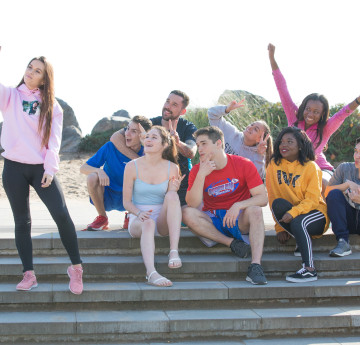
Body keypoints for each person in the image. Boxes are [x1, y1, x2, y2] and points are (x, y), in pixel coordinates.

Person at [0, 50, 83, 294]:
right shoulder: (10, 96)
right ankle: (29, 274)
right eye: (29, 67)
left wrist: (50, 168)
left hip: (40, 169)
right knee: (22, 221)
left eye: (37, 70)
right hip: (13, 167)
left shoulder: (52, 106)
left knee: (61, 214)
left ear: (45, 79)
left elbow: (54, 140)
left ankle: (76, 268)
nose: (31, 72)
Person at [268, 43, 360, 194]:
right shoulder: (294, 118)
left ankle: (322, 215)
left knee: (321, 181)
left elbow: (343, 113)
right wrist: (272, 59)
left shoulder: (326, 128)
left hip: (320, 169)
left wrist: (357, 100)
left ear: (322, 114)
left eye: (316, 112)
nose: (310, 114)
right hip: (294, 170)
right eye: (308, 109)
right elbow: (282, 89)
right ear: (303, 107)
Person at [182, 126, 268, 285]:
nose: (199, 149)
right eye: (198, 145)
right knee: (186, 213)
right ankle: (232, 243)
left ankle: (256, 266)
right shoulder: (196, 171)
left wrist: (238, 206)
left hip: (238, 219)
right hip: (213, 219)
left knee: (255, 210)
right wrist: (201, 174)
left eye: (204, 144)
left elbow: (263, 198)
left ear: (218, 143)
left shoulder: (243, 164)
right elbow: (192, 204)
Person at [111, 90, 197, 207]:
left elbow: (191, 152)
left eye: (174, 105)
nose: (167, 106)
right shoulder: (150, 124)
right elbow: (115, 137)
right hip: (151, 185)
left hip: (179, 184)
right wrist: (137, 159)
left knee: (185, 215)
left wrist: (177, 142)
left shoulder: (188, 127)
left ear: (183, 111)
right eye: (167, 101)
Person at [123, 125, 184, 287]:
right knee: (148, 222)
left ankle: (174, 251)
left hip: (162, 220)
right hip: (138, 218)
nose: (148, 139)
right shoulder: (131, 166)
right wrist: (139, 212)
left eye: (154, 137)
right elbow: (126, 202)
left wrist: (173, 189)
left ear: (165, 145)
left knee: (172, 195)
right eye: (147, 136)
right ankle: (151, 273)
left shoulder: (172, 167)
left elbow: (170, 199)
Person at [266, 127, 329, 283]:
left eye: (289, 141)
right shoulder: (274, 165)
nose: (283, 145)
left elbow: (313, 199)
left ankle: (309, 270)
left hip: (316, 215)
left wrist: (294, 212)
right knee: (278, 203)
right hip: (292, 215)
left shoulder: (311, 167)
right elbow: (274, 195)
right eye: (281, 141)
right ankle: (301, 239)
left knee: (299, 221)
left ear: (300, 145)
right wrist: (279, 227)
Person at [80, 116, 152, 230]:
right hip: (108, 195)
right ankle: (102, 218)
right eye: (127, 129)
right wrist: (99, 171)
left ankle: (131, 215)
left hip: (132, 198)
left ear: (143, 135)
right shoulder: (110, 147)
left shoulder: (147, 152)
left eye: (134, 131)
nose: (127, 134)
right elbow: (83, 168)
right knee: (92, 177)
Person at [208, 100, 273, 179]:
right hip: (213, 178)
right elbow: (211, 113)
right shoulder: (231, 133)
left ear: (259, 139)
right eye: (252, 124)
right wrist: (226, 109)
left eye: (255, 129)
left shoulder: (257, 156)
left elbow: (256, 178)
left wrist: (260, 155)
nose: (250, 127)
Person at [325, 139, 360, 257]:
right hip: (347, 219)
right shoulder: (344, 168)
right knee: (334, 193)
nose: (357, 156)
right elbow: (327, 192)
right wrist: (346, 185)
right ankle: (343, 242)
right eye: (356, 151)